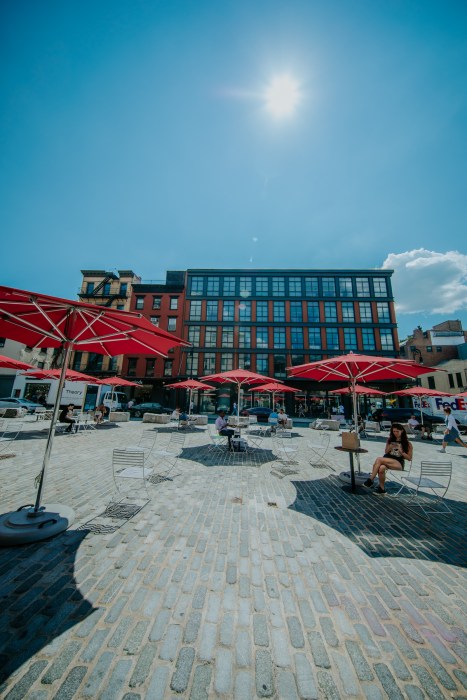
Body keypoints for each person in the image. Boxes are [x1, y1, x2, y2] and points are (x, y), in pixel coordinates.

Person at [364, 423, 413, 494]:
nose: (395, 433)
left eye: (397, 431)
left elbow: (409, 458)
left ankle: (371, 479)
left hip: (398, 463)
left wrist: (401, 451)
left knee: (379, 459)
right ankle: (382, 489)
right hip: (387, 459)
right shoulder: (390, 440)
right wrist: (390, 447)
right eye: (394, 431)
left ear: (402, 431)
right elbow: (386, 451)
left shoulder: (407, 443)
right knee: (381, 468)